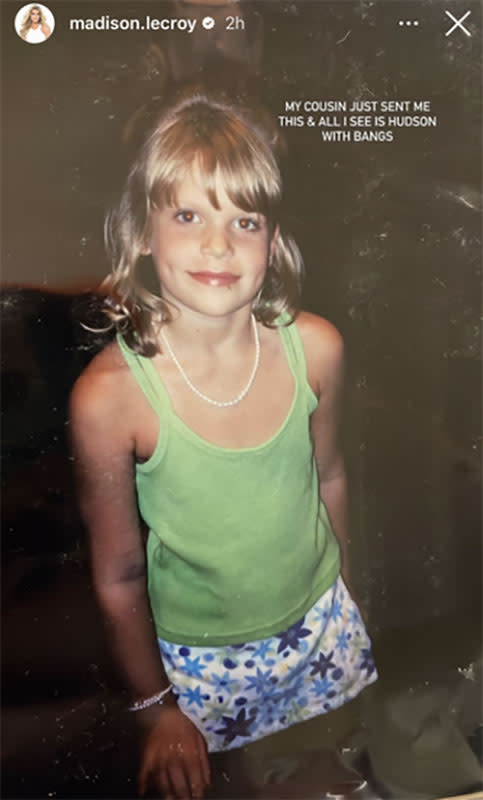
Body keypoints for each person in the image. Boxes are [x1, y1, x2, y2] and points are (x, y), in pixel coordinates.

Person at [70, 85, 377, 799]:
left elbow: (329, 477)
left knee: (329, 765)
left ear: (273, 238)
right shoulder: (109, 398)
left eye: (245, 219)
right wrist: (155, 712)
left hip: (320, 623)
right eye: (187, 214)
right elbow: (116, 579)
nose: (218, 244)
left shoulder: (317, 348)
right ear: (143, 230)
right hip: (201, 668)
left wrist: (345, 595)